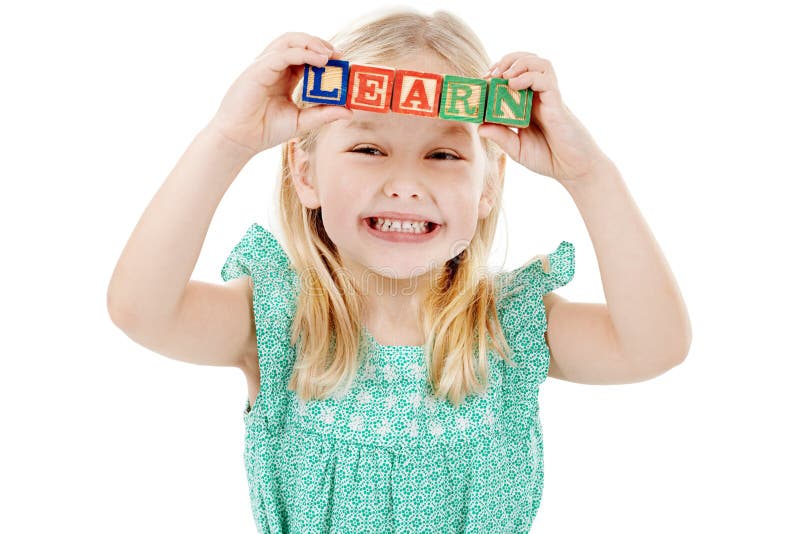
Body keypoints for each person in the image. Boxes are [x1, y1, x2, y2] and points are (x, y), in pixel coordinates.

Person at [107, 6, 692, 533]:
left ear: (487, 185)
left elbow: (654, 346)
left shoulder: (507, 329)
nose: (406, 185)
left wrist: (588, 173)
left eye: (443, 154)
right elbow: (141, 309)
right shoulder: (281, 320)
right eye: (369, 149)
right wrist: (228, 139)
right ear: (306, 173)